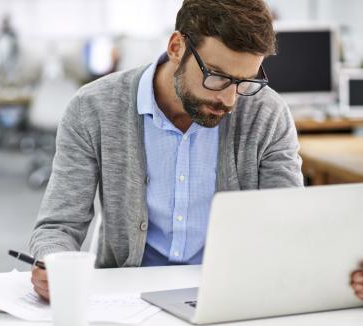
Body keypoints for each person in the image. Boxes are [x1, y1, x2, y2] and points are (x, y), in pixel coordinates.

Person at [30, 0, 304, 301]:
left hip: (230, 293)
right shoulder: (93, 107)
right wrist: (53, 263)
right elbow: (59, 225)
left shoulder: (267, 113)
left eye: (244, 81)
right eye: (217, 76)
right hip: (125, 296)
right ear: (176, 47)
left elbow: (287, 224)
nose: (229, 100)